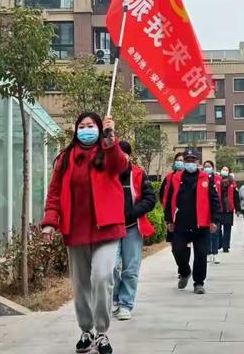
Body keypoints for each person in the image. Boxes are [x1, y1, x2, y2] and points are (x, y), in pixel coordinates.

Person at [42, 112, 127, 354]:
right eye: (82, 126)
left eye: (91, 126)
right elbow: (55, 191)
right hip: (76, 229)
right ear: (75, 129)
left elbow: (120, 166)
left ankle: (102, 332)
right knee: (81, 284)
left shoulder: (108, 151)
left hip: (107, 229)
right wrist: (50, 221)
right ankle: (86, 330)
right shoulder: (66, 157)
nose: (86, 129)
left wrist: (111, 139)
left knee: (101, 277)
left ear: (100, 129)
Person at [165, 149, 220, 294]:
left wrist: (214, 220)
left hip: (201, 224)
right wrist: (169, 220)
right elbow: (169, 199)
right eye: (187, 160)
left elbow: (214, 200)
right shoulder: (176, 178)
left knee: (201, 254)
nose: (190, 163)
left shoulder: (206, 178)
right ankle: (184, 271)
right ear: (184, 162)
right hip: (180, 223)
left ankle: (199, 282)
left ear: (197, 162)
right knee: (177, 250)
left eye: (192, 160)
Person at [113, 141, 156, 321]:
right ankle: (114, 299)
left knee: (130, 269)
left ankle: (126, 304)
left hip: (132, 228)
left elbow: (150, 199)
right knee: (110, 267)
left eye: (124, 154)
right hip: (111, 229)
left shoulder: (138, 173)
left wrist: (132, 212)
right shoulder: (106, 174)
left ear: (130, 156)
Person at [203, 160, 222, 264]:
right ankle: (208, 253)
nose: (207, 168)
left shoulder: (218, 179)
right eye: (205, 166)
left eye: (209, 166)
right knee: (206, 234)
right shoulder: (200, 178)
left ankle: (215, 254)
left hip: (216, 209)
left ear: (213, 168)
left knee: (215, 233)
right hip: (204, 210)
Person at [219, 166, 238, 253]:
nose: (224, 171)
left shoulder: (232, 183)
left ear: (229, 172)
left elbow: (236, 196)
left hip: (228, 208)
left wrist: (238, 208)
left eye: (226, 170)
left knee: (227, 227)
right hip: (219, 207)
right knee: (218, 228)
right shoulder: (217, 180)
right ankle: (219, 243)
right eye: (223, 169)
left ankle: (226, 246)